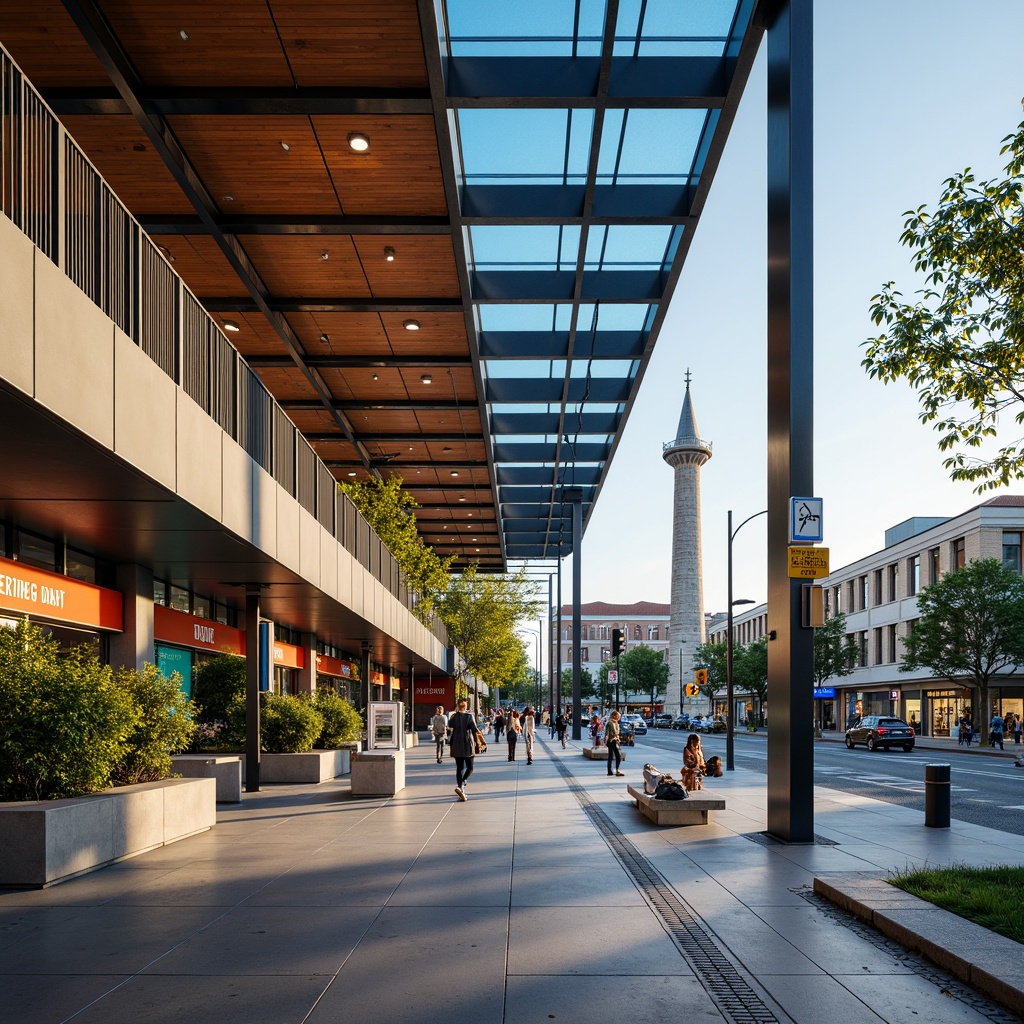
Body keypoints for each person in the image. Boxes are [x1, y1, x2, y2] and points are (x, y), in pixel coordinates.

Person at [446, 698, 481, 800]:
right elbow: (474, 730)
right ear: (466, 706)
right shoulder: (470, 716)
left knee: (459, 768)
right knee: (470, 767)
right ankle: (462, 785)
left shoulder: (454, 716)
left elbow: (450, 724)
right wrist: (478, 743)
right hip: (467, 744)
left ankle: (460, 787)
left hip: (456, 745)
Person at [605, 710, 625, 777]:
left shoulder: (616, 723)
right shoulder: (609, 723)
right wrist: (606, 739)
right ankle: (616, 770)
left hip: (615, 740)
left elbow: (617, 733)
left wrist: (617, 738)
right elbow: (607, 733)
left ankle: (610, 771)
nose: (619, 717)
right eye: (618, 716)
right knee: (617, 756)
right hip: (611, 741)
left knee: (611, 756)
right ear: (614, 716)